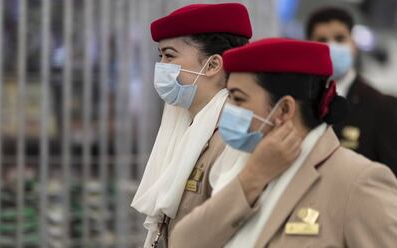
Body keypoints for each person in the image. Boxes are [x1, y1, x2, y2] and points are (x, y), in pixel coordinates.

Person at [169, 38, 397, 248]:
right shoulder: (248, 167)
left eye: (238, 99)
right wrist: (250, 179)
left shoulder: (357, 181)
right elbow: (182, 242)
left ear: (285, 109)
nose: (229, 110)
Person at [130, 3, 252, 247]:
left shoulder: (234, 135)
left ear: (213, 65)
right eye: (160, 56)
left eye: (170, 55)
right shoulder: (187, 123)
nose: (162, 66)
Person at [306, 7, 397, 175]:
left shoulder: (382, 106)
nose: (331, 46)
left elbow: (392, 177)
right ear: (309, 48)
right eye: (322, 40)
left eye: (340, 38)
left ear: (353, 44)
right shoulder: (300, 103)